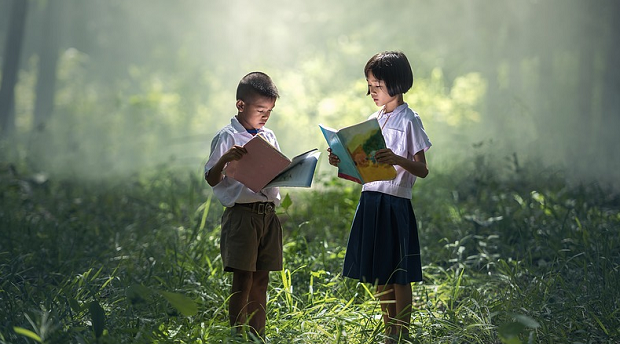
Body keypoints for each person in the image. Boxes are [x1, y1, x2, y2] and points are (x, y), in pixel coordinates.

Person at [327, 51, 431, 343]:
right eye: (369, 86)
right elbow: (362, 168)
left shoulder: (410, 119)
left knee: (400, 273)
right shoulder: (373, 120)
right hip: (370, 199)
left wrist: (397, 158)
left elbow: (422, 169)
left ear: (396, 84)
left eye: (377, 86)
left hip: (395, 202)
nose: (371, 92)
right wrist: (342, 159)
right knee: (380, 273)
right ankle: (390, 333)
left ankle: (404, 334)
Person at [204, 71, 283, 341]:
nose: (265, 115)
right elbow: (211, 178)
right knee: (243, 281)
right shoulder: (227, 137)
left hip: (267, 216)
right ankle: (238, 336)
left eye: (270, 110)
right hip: (242, 216)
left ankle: (257, 334)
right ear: (241, 105)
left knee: (261, 280)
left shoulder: (269, 136)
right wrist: (225, 159)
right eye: (260, 109)